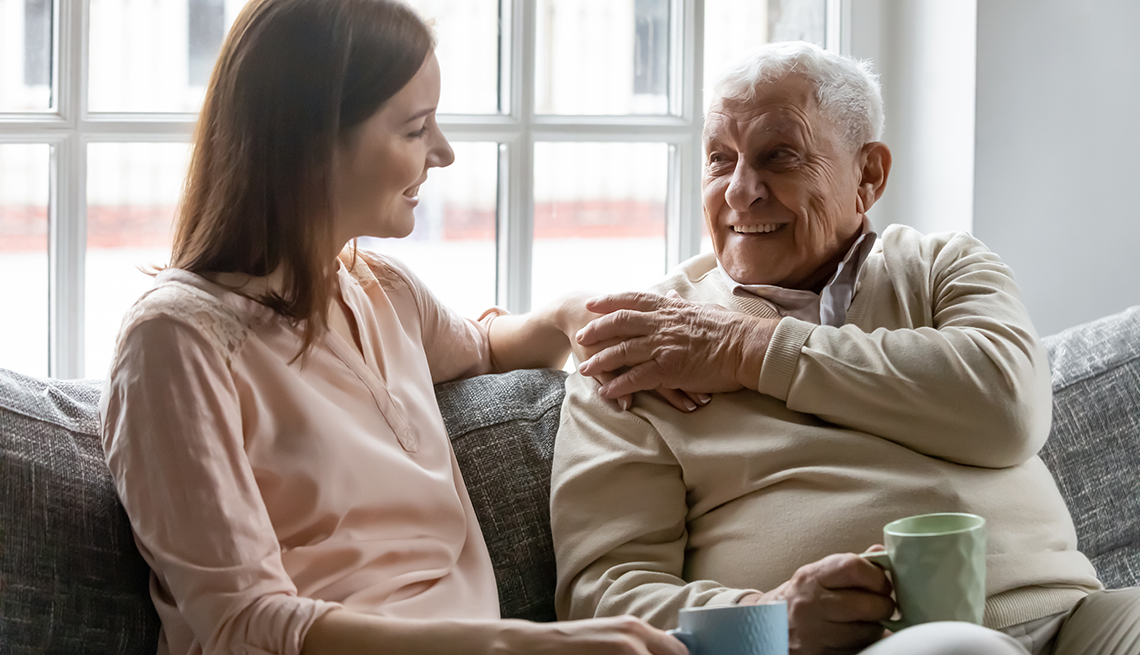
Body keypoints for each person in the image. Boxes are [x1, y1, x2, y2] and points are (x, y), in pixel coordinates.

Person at [99, 1, 689, 654]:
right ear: (311, 143)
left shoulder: (384, 291)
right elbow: (241, 621)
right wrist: (513, 644)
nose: (444, 152)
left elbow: (484, 348)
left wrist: (571, 312)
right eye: (415, 129)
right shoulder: (174, 342)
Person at [551, 41, 1140, 655]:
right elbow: (603, 595)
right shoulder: (640, 344)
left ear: (868, 175)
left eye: (779, 156)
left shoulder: (944, 266)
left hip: (1077, 620)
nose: (738, 192)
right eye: (719, 160)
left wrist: (751, 350)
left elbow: (1009, 409)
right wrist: (769, 618)